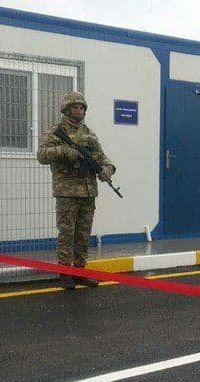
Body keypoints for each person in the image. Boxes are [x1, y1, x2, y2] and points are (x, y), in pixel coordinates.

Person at [37, 91, 116, 290]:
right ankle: (65, 273)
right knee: (66, 234)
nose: (79, 110)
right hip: (67, 192)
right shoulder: (56, 131)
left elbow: (101, 157)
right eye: (75, 107)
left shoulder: (89, 133)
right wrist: (66, 151)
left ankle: (80, 272)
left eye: (81, 107)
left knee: (83, 235)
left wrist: (107, 169)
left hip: (88, 192)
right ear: (66, 109)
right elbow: (42, 155)